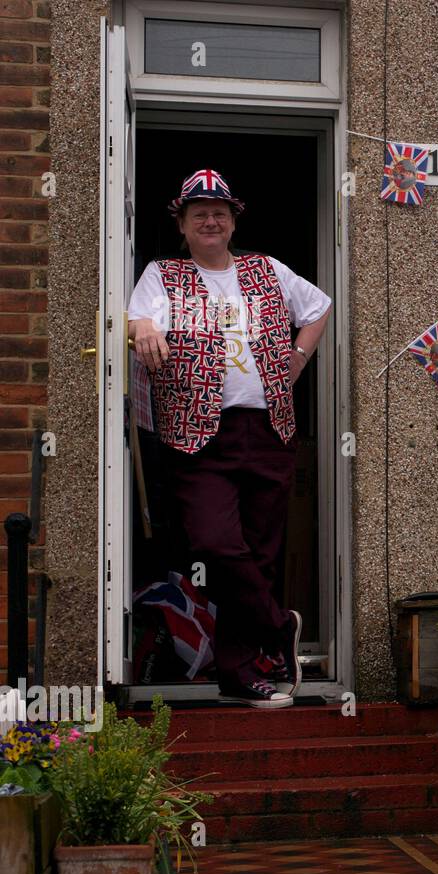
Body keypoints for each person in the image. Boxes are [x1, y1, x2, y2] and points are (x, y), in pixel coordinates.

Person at [127, 169, 332, 709]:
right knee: (215, 543)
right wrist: (141, 328)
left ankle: (240, 677)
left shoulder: (266, 268)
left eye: (219, 212)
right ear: (183, 224)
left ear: (233, 220)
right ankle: (276, 624)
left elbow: (318, 308)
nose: (210, 219)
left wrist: (299, 358)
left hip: (268, 427)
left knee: (260, 553)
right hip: (198, 432)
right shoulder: (163, 274)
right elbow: (132, 319)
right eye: (199, 213)